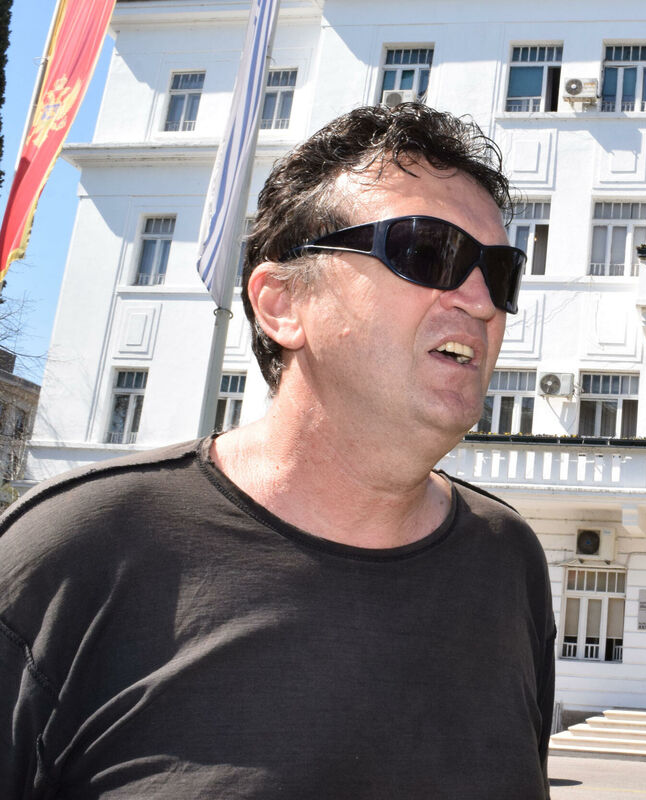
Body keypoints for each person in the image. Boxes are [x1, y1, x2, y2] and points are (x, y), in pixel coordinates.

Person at [0, 104, 555, 799]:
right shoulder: (77, 549)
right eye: (426, 251)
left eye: (500, 272)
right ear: (281, 303)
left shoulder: (508, 563)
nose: (480, 301)